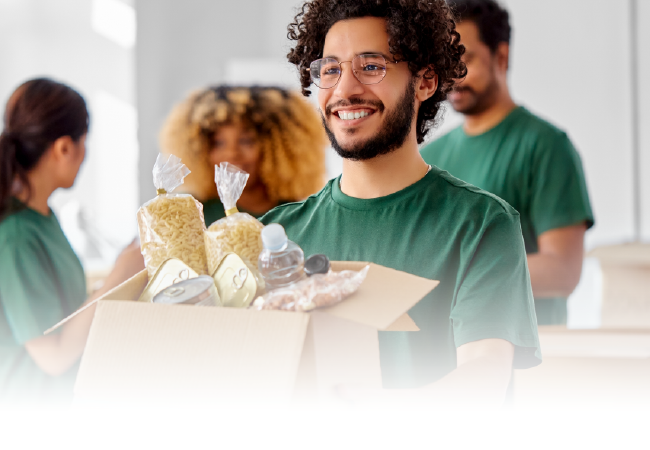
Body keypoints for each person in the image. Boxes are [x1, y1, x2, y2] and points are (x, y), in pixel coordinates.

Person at [260, 0, 541, 405]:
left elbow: (484, 374)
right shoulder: (278, 237)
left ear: (425, 81)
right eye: (330, 69)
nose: (344, 89)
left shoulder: (481, 223)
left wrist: (367, 412)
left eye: (371, 66)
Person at [420, 0, 594, 325]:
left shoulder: (546, 146)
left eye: (465, 60)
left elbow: (563, 272)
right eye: (445, 62)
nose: (452, 76)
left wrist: (456, 271)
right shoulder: (427, 158)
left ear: (501, 56)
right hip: (447, 357)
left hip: (530, 360)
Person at [0, 78, 144, 405]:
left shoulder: (43, 217)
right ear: (65, 148)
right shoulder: (16, 235)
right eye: (84, 143)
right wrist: (117, 278)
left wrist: (119, 276)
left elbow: (64, 311)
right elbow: (53, 356)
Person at [159, 85, 328, 226]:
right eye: (218, 143)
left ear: (277, 148)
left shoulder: (298, 215)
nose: (232, 153)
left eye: (246, 141)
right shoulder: (192, 214)